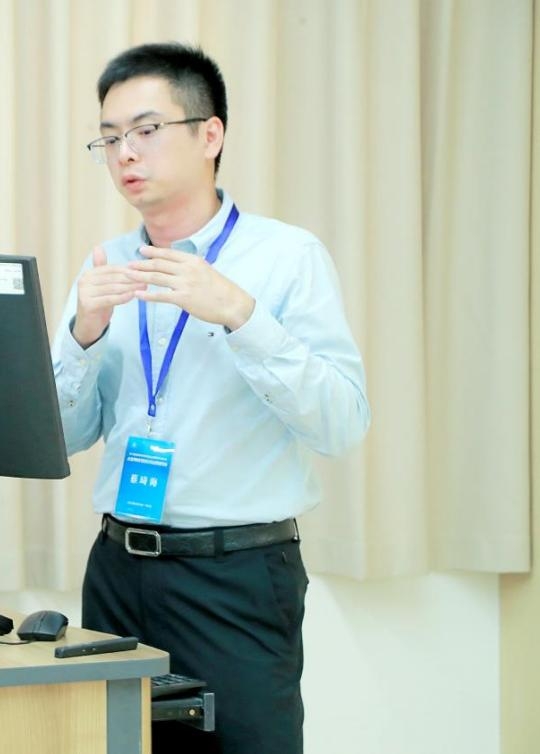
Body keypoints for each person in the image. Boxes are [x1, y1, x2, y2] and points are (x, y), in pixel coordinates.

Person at [52, 43, 370, 754]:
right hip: (118, 570)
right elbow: (64, 438)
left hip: (236, 577)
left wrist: (240, 315)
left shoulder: (286, 258)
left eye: (145, 130)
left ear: (210, 134)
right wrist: (81, 336)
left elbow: (342, 423)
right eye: (109, 138)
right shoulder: (105, 267)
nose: (124, 153)